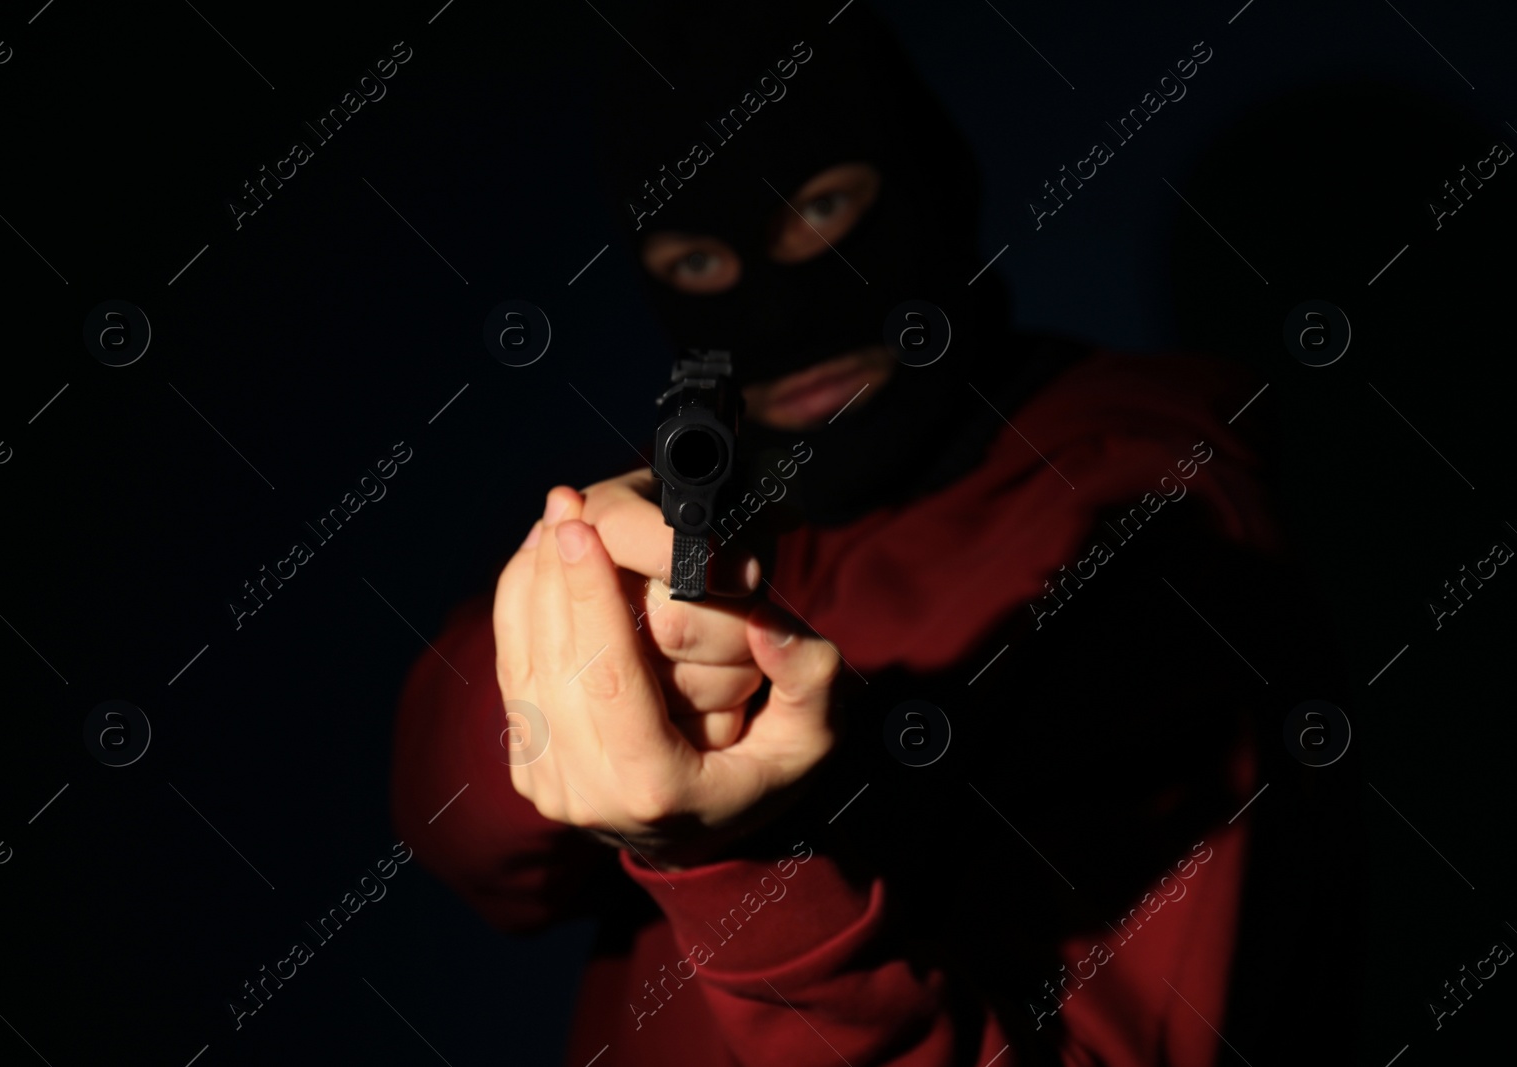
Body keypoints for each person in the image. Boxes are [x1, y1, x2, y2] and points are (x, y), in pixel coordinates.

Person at [391, 4, 1358, 1064]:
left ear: (932, 184)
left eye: (823, 209)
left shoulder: (1160, 529)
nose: (781, 311)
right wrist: (574, 632)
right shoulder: (768, 505)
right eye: (698, 263)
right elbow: (447, 825)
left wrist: (731, 859)